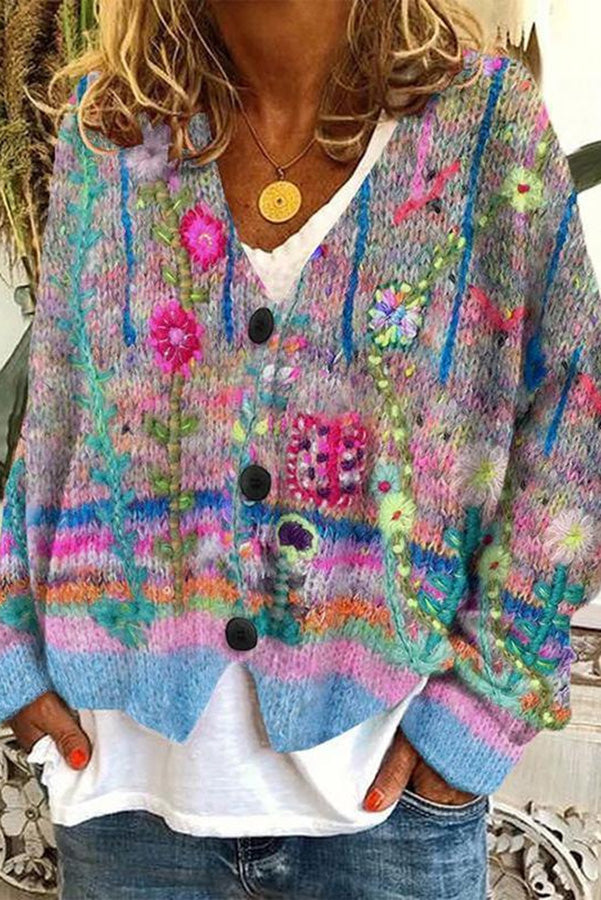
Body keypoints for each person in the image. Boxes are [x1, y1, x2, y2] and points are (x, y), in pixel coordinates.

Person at [0, 0, 599, 897]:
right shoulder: (109, 134)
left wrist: (483, 710)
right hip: (131, 805)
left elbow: (574, 430)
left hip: (388, 817)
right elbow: (55, 419)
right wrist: (11, 655)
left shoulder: (484, 129)